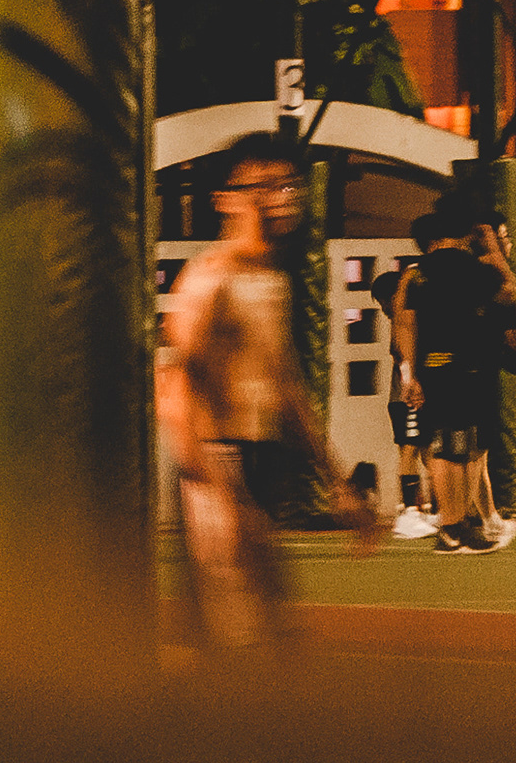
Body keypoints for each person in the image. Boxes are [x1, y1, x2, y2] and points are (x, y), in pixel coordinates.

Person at [160, 132, 375, 644]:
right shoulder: (208, 279)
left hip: (257, 464)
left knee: (267, 632)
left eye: (288, 185)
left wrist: (337, 481)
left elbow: (285, 390)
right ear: (225, 199)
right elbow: (174, 392)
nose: (282, 198)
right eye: (266, 186)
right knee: (237, 637)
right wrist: (219, 493)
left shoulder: (272, 278)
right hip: (215, 464)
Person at [395, 208, 516, 555]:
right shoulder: (477, 270)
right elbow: (511, 294)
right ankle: (459, 524)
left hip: (434, 366)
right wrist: (494, 250)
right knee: (467, 450)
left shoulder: (415, 275)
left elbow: (404, 325)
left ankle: (453, 526)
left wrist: (410, 374)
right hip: (473, 366)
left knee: (443, 447)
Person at [377, 221, 443, 539]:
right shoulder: (400, 324)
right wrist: (410, 385)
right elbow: (401, 355)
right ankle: (408, 511)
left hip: (416, 391)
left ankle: (432, 509)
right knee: (409, 449)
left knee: (428, 450)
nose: (384, 309)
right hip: (405, 395)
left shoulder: (412, 317)